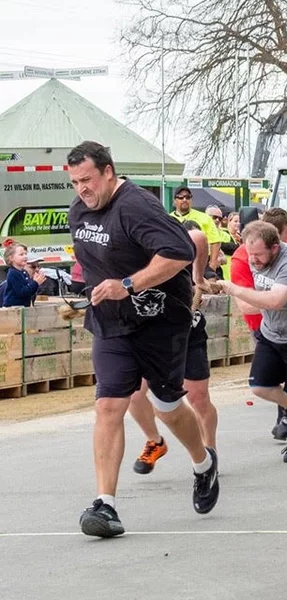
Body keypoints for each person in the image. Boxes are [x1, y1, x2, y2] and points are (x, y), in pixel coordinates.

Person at [66, 141, 219, 538]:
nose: (81, 188)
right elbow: (96, 260)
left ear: (108, 172)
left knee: (167, 404)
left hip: (160, 322)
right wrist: (100, 288)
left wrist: (128, 284)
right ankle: (105, 505)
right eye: (75, 181)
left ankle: (203, 462)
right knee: (108, 404)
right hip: (112, 323)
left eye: (87, 179)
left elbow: (181, 252)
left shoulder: (135, 206)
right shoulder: (80, 210)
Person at [213, 220, 287, 463]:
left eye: (258, 255)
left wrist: (234, 290)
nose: (252, 260)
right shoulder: (247, 255)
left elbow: (276, 300)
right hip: (272, 332)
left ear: (275, 248)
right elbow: (250, 303)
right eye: (249, 253)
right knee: (259, 386)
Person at [126, 220, 218, 474]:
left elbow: (198, 236)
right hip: (150, 335)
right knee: (134, 393)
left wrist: (198, 277)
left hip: (186, 331)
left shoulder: (169, 242)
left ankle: (209, 452)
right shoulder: (122, 251)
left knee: (197, 396)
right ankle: (155, 441)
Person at [230, 206, 287, 439]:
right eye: (285, 235)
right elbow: (245, 304)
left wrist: (285, 298)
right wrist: (276, 300)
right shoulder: (241, 258)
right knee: (266, 378)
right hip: (261, 323)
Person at [169, 186, 223, 277]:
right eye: (181, 197)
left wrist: (212, 264)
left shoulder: (204, 218)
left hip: (201, 261)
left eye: (188, 197)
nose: (185, 200)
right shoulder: (169, 219)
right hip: (178, 261)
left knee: (208, 284)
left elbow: (215, 242)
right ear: (175, 201)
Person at [3, 243, 46, 307]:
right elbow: (21, 292)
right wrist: (36, 283)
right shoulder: (13, 273)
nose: (25, 256)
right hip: (13, 308)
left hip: (23, 307)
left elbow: (29, 291)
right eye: (21, 254)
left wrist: (35, 283)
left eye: (25, 254)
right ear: (11, 258)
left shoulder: (23, 272)